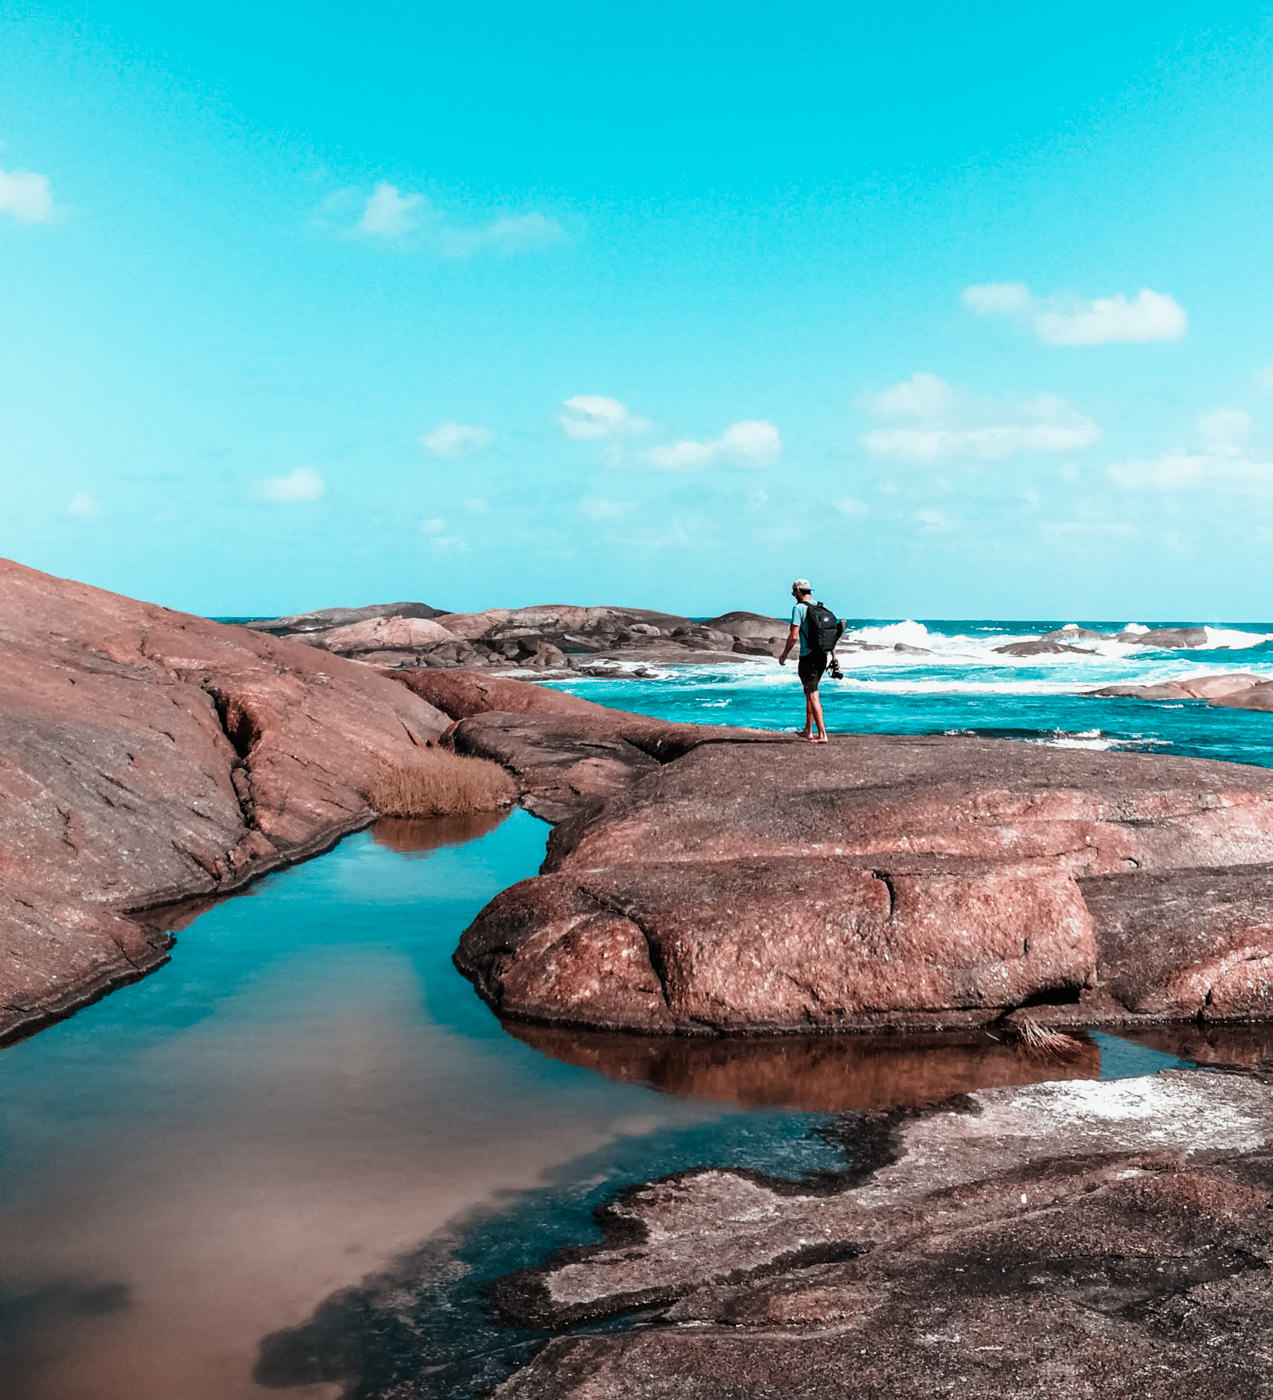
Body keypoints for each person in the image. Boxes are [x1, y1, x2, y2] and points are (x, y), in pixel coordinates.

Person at [778, 579, 840, 743]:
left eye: (793, 592)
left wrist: (784, 655)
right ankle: (808, 730)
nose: (793, 595)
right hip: (822, 656)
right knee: (809, 691)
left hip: (808, 657)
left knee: (813, 694)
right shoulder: (822, 607)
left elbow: (793, 636)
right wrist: (834, 657)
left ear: (798, 591)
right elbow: (830, 635)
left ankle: (822, 734)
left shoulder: (799, 608)